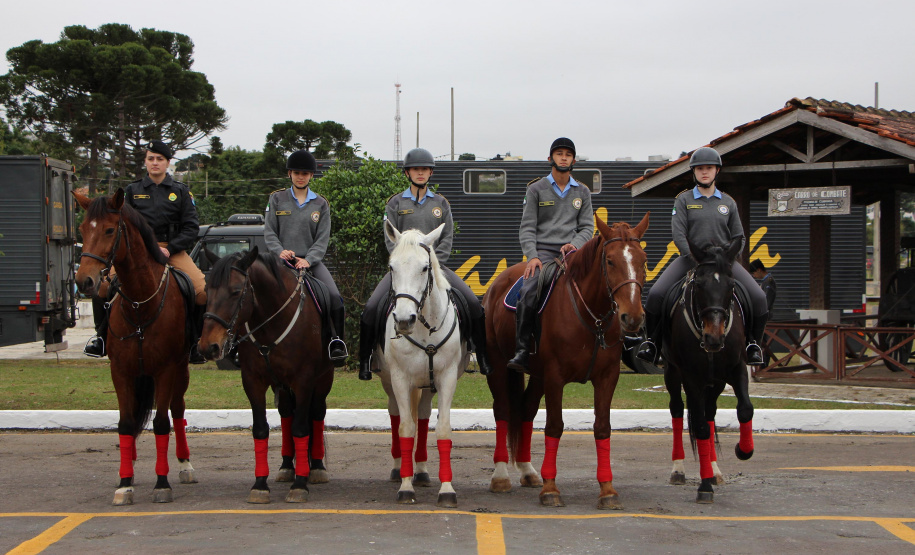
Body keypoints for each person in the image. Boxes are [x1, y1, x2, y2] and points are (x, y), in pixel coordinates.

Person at [358, 147, 492, 380]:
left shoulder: (441, 203)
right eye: (415, 169)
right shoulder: (395, 203)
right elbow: (391, 240)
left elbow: (447, 237)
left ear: (431, 173)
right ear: (408, 173)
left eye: (425, 170)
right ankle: (367, 359)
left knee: (473, 304)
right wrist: (404, 263)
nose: (420, 173)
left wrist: (433, 263)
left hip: (435, 267)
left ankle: (479, 354)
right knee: (371, 309)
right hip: (404, 271)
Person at [636, 146, 768, 366]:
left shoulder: (728, 203)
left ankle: (753, 344)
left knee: (759, 297)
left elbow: (739, 237)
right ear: (694, 172)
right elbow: (678, 234)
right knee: (656, 294)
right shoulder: (684, 200)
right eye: (699, 169)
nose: (704, 172)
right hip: (691, 259)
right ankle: (652, 343)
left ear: (717, 171)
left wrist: (727, 258)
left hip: (723, 263)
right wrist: (694, 256)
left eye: (709, 168)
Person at [84, 140, 207, 363]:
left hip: (172, 251)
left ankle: (194, 343)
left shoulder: (181, 192)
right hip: (137, 252)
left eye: (160, 159)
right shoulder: (132, 191)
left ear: (168, 163)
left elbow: (191, 228)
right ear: (145, 162)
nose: (155, 163)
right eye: (151, 158)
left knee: (200, 290)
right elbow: (122, 224)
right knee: (102, 286)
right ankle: (100, 338)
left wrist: (170, 248)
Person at [507, 137, 595, 371]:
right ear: (550, 159)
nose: (563, 157)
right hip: (544, 253)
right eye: (559, 153)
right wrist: (532, 256)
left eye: (568, 154)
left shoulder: (583, 192)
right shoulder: (535, 189)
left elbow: (587, 227)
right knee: (528, 290)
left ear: (574, 159)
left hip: (573, 253)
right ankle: (523, 349)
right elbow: (527, 227)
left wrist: (574, 244)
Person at [263, 149, 347, 366]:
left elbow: (322, 238)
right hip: (281, 260)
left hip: (310, 262)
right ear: (290, 174)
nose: (301, 176)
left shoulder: (321, 204)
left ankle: (337, 342)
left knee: (334, 297)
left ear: (311, 176)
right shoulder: (276, 199)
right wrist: (279, 251)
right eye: (297, 172)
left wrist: (308, 259)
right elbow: (270, 231)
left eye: (305, 173)